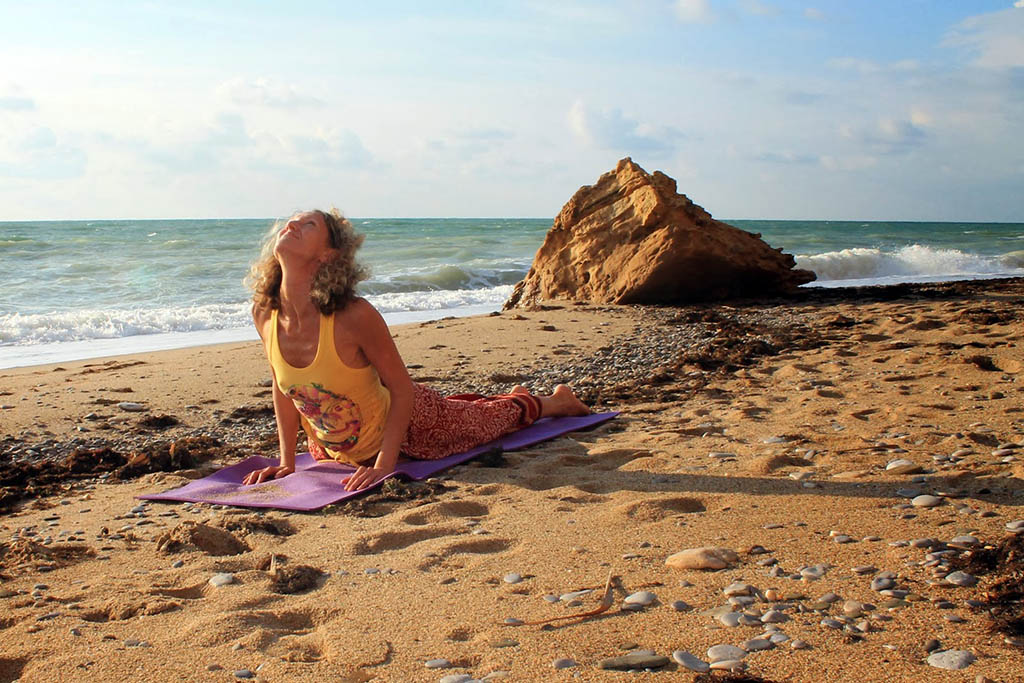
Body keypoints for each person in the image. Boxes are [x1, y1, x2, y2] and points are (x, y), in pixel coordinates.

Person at [242, 209, 590, 491]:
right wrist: (287, 461)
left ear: (327, 255)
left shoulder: (354, 315)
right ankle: (510, 399)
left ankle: (557, 401)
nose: (292, 224)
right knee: (484, 414)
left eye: (309, 223)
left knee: (493, 421)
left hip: (414, 429)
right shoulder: (265, 314)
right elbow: (284, 388)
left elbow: (402, 389)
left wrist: (384, 466)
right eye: (292, 220)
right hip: (332, 449)